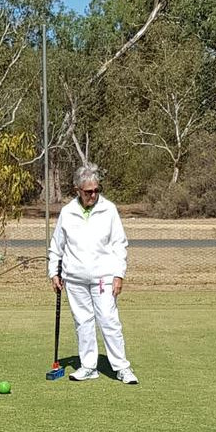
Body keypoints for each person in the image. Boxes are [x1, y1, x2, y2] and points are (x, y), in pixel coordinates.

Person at [48, 164, 138, 385]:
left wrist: (119, 274)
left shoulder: (109, 210)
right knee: (83, 322)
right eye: (88, 191)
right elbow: (57, 245)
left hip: (103, 277)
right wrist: (54, 272)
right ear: (77, 189)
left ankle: (122, 367)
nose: (93, 195)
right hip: (75, 278)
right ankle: (89, 366)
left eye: (97, 190)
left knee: (109, 320)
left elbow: (119, 244)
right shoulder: (67, 212)